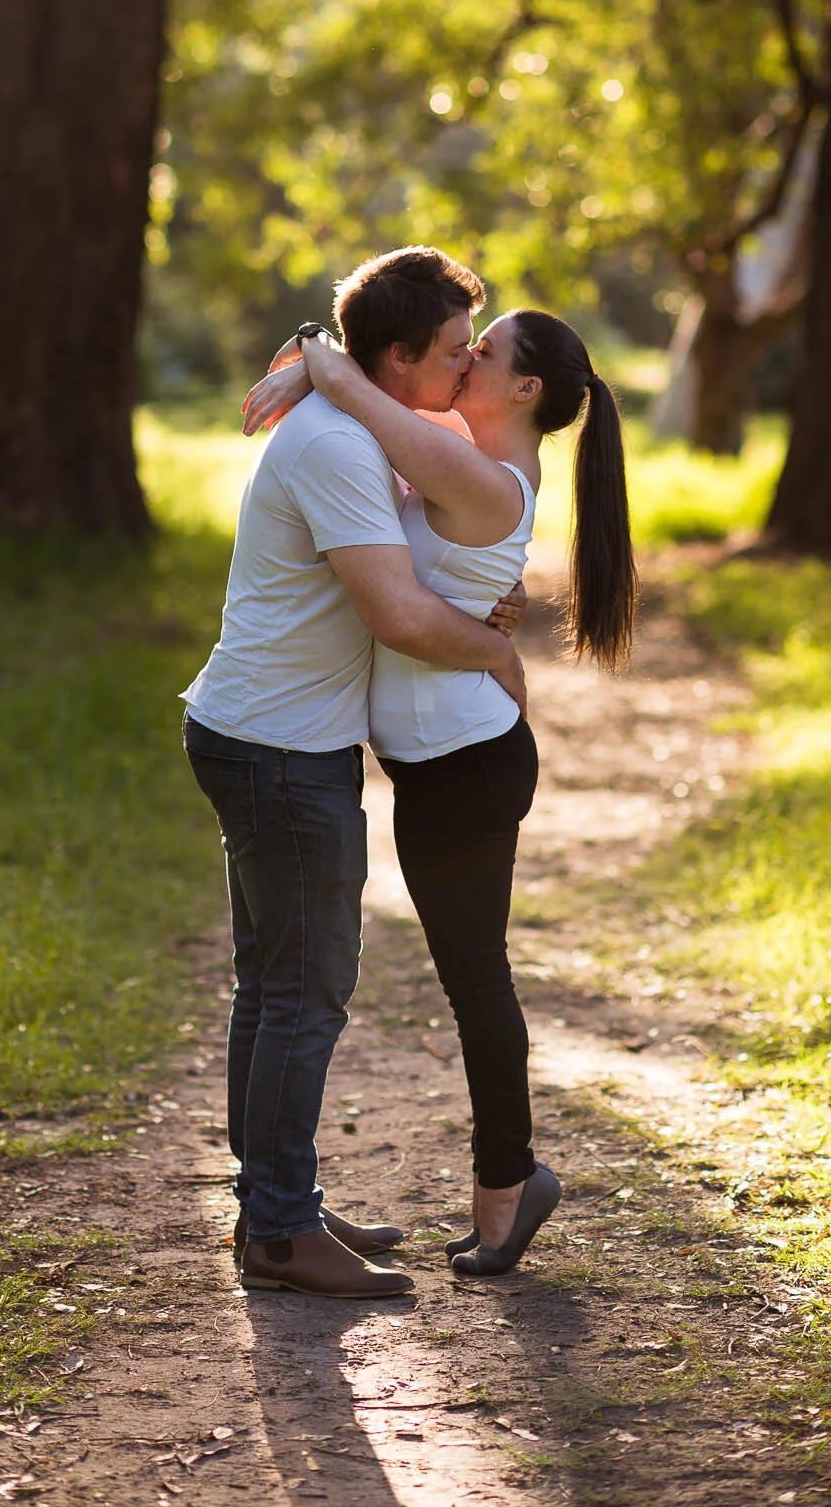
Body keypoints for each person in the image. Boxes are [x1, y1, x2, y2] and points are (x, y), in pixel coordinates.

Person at [242, 305, 637, 1277]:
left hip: (464, 767)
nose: (464, 358)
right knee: (471, 980)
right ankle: (496, 1183)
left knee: (475, 982)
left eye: (483, 351)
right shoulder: (465, 454)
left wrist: (312, 364)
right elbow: (377, 389)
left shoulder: (488, 481)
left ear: (525, 389)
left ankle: (508, 1185)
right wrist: (309, 362)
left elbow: (359, 390)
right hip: (438, 763)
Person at [180, 247, 527, 1301]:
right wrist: (496, 651)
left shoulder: (363, 425)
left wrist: (313, 358)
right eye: (455, 350)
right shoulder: (337, 443)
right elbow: (397, 617)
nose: (468, 366)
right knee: (303, 991)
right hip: (280, 750)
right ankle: (281, 1231)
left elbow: (419, 561)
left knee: (272, 986)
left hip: (268, 734)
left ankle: (272, 1201)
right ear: (399, 357)